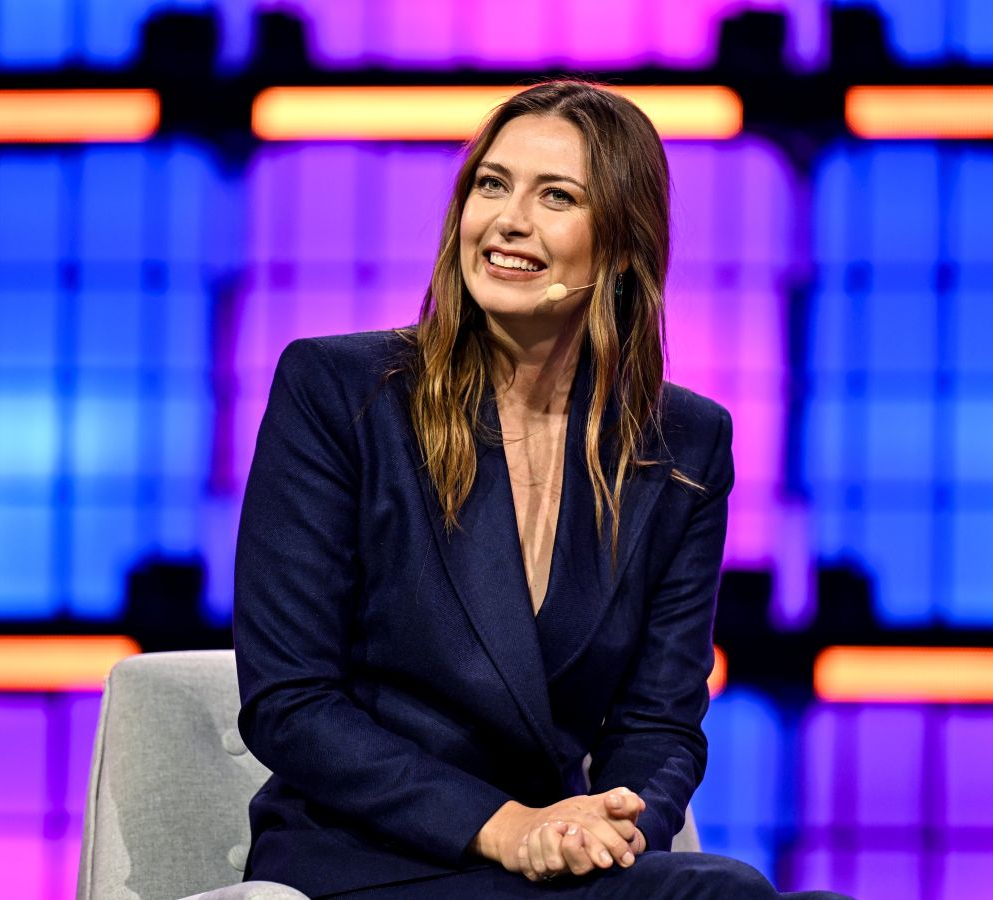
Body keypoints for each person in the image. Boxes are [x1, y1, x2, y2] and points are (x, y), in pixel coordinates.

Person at [234, 81, 851, 899]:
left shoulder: (682, 445)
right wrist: (505, 827)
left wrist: (605, 827)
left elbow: (659, 723)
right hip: (369, 855)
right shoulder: (340, 393)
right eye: (492, 185)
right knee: (722, 892)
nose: (508, 220)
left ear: (620, 246)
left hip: (552, 866)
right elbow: (291, 701)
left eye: (556, 196)